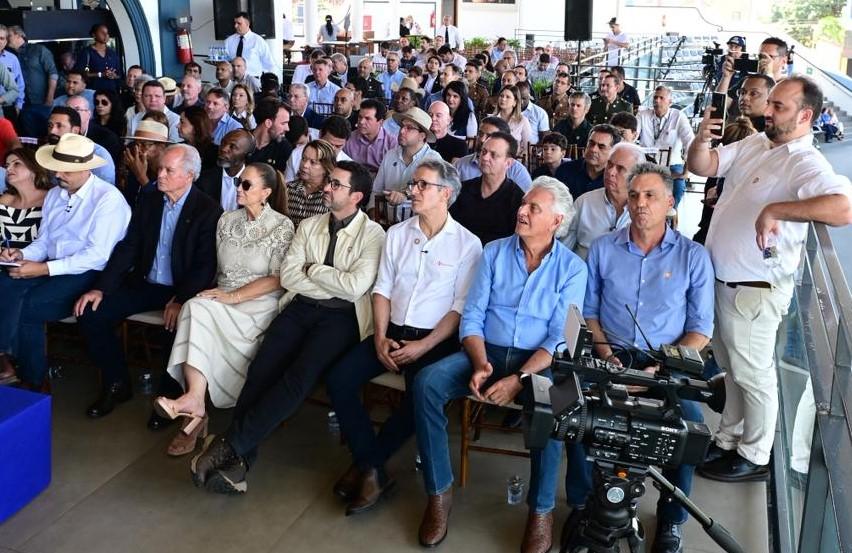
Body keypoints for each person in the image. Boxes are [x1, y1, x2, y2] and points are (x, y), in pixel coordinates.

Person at [688, 76, 852, 483]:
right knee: (732, 369)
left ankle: (756, 454)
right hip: (724, 281)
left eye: (779, 107)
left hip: (755, 288)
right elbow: (703, 166)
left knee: (753, 375)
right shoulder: (757, 143)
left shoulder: (804, 161)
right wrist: (701, 140)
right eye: (771, 103)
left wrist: (776, 209)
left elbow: (843, 208)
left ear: (805, 115)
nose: (768, 112)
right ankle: (729, 438)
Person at [190, 160, 385, 495]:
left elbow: (354, 288)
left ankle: (228, 446)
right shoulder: (309, 225)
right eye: (329, 182)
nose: (327, 188)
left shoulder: (373, 234)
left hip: (341, 319)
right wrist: (326, 279)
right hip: (299, 308)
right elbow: (290, 277)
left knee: (298, 378)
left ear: (356, 196)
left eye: (336, 184)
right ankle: (240, 459)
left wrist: (313, 269)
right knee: (261, 369)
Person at [413, 177, 586, 551]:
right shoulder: (494, 251)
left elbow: (559, 338)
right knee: (427, 383)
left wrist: (519, 379)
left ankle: (541, 511)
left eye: (533, 208)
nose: (522, 211)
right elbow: (473, 314)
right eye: (523, 204)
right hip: (487, 352)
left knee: (556, 407)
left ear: (556, 221)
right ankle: (438, 494)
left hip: (537, 362)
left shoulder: (573, 268)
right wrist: (478, 362)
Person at [561, 163, 714, 553]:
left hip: (667, 360)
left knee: (690, 427)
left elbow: (701, 329)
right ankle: (582, 504)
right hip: (610, 353)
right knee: (573, 412)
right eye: (634, 196)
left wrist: (660, 368)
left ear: (670, 202)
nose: (640, 203)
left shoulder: (693, 256)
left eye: (650, 196)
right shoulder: (603, 248)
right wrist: (607, 357)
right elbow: (589, 312)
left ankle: (671, 517)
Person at [326, 159, 481, 515]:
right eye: (414, 184)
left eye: (423, 185)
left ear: (446, 193)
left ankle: (367, 466)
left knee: (419, 398)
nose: (413, 190)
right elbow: (382, 289)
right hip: (392, 331)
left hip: (434, 339)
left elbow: (459, 308)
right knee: (338, 379)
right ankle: (373, 468)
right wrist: (380, 337)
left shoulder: (467, 244)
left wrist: (424, 346)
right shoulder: (397, 234)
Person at [156, 162, 293, 455]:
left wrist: (234, 297)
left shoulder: (282, 226)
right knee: (194, 306)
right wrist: (181, 295)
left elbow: (278, 278)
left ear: (266, 192)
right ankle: (195, 402)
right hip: (223, 295)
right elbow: (212, 268)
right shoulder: (226, 220)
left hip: (259, 303)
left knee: (198, 308)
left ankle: (194, 407)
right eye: (238, 183)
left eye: (247, 185)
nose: (239, 189)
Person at [74, 144, 221, 418]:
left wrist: (180, 299)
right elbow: (128, 247)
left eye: (168, 170)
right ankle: (117, 383)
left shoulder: (208, 209)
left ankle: (170, 398)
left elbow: (205, 266)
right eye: (160, 168)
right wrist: (100, 288)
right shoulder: (150, 199)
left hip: (180, 289)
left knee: (178, 326)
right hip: (144, 283)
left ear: (189, 176)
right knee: (92, 313)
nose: (159, 175)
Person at [0, 134, 130, 390]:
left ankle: (34, 380)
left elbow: (97, 256)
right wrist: (22, 255)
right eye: (57, 167)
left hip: (91, 274)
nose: (58, 174)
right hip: (55, 266)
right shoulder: (55, 195)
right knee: (6, 282)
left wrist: (43, 268)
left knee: (31, 306)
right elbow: (44, 241)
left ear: (86, 169)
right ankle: (11, 362)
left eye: (66, 170)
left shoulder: (107, 199)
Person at [561, 142, 643, 259]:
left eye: (620, 168)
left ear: (636, 176)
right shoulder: (584, 203)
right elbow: (564, 250)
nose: (610, 172)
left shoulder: (643, 209)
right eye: (609, 165)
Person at [450, 131, 525, 245]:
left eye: (493, 155)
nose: (485, 157)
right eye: (483, 152)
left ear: (508, 163)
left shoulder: (517, 200)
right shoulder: (462, 190)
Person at [371, 107, 442, 218]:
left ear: (422, 136)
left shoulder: (433, 160)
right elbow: (376, 191)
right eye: (402, 126)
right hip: (384, 222)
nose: (402, 131)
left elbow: (432, 195)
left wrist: (406, 194)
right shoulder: (390, 155)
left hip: (418, 225)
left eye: (409, 128)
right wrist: (372, 215)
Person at [636, 85, 695, 207]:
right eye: (655, 97)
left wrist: (686, 171)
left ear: (670, 102)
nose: (657, 101)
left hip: (672, 165)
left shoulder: (679, 116)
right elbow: (633, 135)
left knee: (678, 188)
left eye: (661, 98)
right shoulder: (642, 115)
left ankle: (670, 212)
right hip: (647, 163)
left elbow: (690, 142)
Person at [454, 116, 533, 190]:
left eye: (490, 136)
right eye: (480, 134)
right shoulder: (461, 165)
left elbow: (528, 198)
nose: (482, 139)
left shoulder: (516, 171)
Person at [8, 25, 58, 138]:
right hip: (23, 104)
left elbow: (53, 73)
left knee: (47, 133)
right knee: (29, 137)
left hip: (43, 102)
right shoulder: (10, 56)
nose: (6, 38)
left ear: (19, 35)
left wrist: (50, 98)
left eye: (9, 35)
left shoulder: (39, 49)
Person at [46, 105, 115, 184]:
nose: (52, 131)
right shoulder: (46, 152)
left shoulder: (98, 155)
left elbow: (105, 189)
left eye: (59, 126)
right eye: (50, 125)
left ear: (75, 131)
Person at [196, 128, 255, 212]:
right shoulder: (204, 179)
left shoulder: (256, 184)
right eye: (223, 143)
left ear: (247, 155)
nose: (224, 149)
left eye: (233, 146)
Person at [557, 124, 621, 199]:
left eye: (601, 147)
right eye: (591, 143)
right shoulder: (565, 170)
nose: (593, 150)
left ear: (613, 152)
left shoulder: (616, 178)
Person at [121, 120, 174, 206]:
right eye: (136, 144)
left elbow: (161, 206)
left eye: (144, 145)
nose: (138, 150)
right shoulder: (137, 165)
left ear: (162, 146)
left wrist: (141, 177)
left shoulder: (171, 171)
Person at [285, 139, 337, 227]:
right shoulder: (288, 189)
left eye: (313, 162)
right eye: (303, 159)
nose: (305, 165)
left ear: (326, 167)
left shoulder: (331, 196)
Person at [283, 116, 352, 181]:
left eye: (338, 146)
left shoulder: (349, 168)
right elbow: (287, 186)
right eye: (328, 144)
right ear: (320, 134)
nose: (332, 149)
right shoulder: (296, 154)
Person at [344, 98, 396, 176]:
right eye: (360, 117)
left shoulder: (391, 143)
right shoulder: (349, 139)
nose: (361, 122)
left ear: (380, 122)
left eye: (367, 119)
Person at [67, 94, 120, 168]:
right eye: (68, 111)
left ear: (88, 114)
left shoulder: (107, 138)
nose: (71, 115)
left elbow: (105, 168)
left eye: (77, 110)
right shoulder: (61, 133)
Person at [247, 99, 293, 174]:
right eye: (283, 123)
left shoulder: (284, 148)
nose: (287, 129)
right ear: (268, 123)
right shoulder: (242, 140)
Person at [225, 12, 275, 77]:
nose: (235, 26)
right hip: (233, 79)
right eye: (235, 23)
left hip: (253, 78)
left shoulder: (258, 41)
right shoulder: (229, 41)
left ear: (247, 24)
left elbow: (269, 64)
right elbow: (225, 61)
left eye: (239, 23)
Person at [75, 24, 121, 93]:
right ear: (94, 35)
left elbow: (119, 75)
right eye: (102, 32)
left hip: (111, 93)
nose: (106, 35)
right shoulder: (86, 52)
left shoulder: (112, 53)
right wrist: (101, 74)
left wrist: (114, 76)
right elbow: (79, 73)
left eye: (107, 33)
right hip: (92, 93)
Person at [492, 85, 532, 152]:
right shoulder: (491, 119)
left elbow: (527, 148)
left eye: (508, 97)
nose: (503, 99)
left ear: (515, 102)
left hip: (514, 157)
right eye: (501, 96)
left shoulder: (522, 121)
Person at [178, 105, 217, 170]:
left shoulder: (213, 153)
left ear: (196, 126)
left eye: (182, 122)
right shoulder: (178, 147)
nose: (177, 126)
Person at [517, 81, 549, 145]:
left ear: (529, 96)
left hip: (533, 149)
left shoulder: (540, 113)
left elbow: (544, 139)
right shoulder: (508, 110)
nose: (521, 102)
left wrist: (535, 150)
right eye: (518, 98)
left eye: (524, 98)